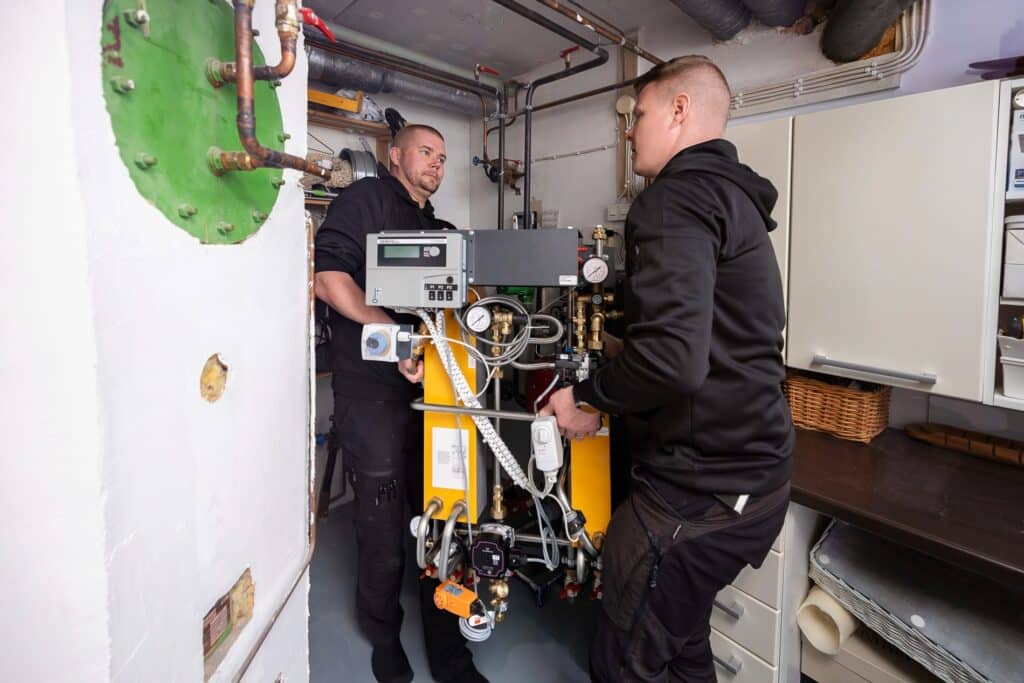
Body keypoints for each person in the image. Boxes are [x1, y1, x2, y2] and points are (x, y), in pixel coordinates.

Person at [541, 55, 794, 682]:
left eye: (640, 114)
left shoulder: (673, 199)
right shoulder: (734, 198)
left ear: (679, 111)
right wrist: (623, 347)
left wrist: (586, 396)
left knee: (625, 661)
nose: (629, 131)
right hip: (755, 480)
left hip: (697, 494)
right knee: (680, 643)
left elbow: (673, 363)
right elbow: (715, 337)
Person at [314, 124, 487, 683]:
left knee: (443, 521)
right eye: (425, 151)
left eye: (443, 156)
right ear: (395, 156)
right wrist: (393, 334)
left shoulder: (438, 230)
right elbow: (328, 279)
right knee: (385, 527)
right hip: (373, 397)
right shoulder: (364, 201)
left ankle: (449, 650)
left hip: (436, 397)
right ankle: (384, 635)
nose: (437, 163)